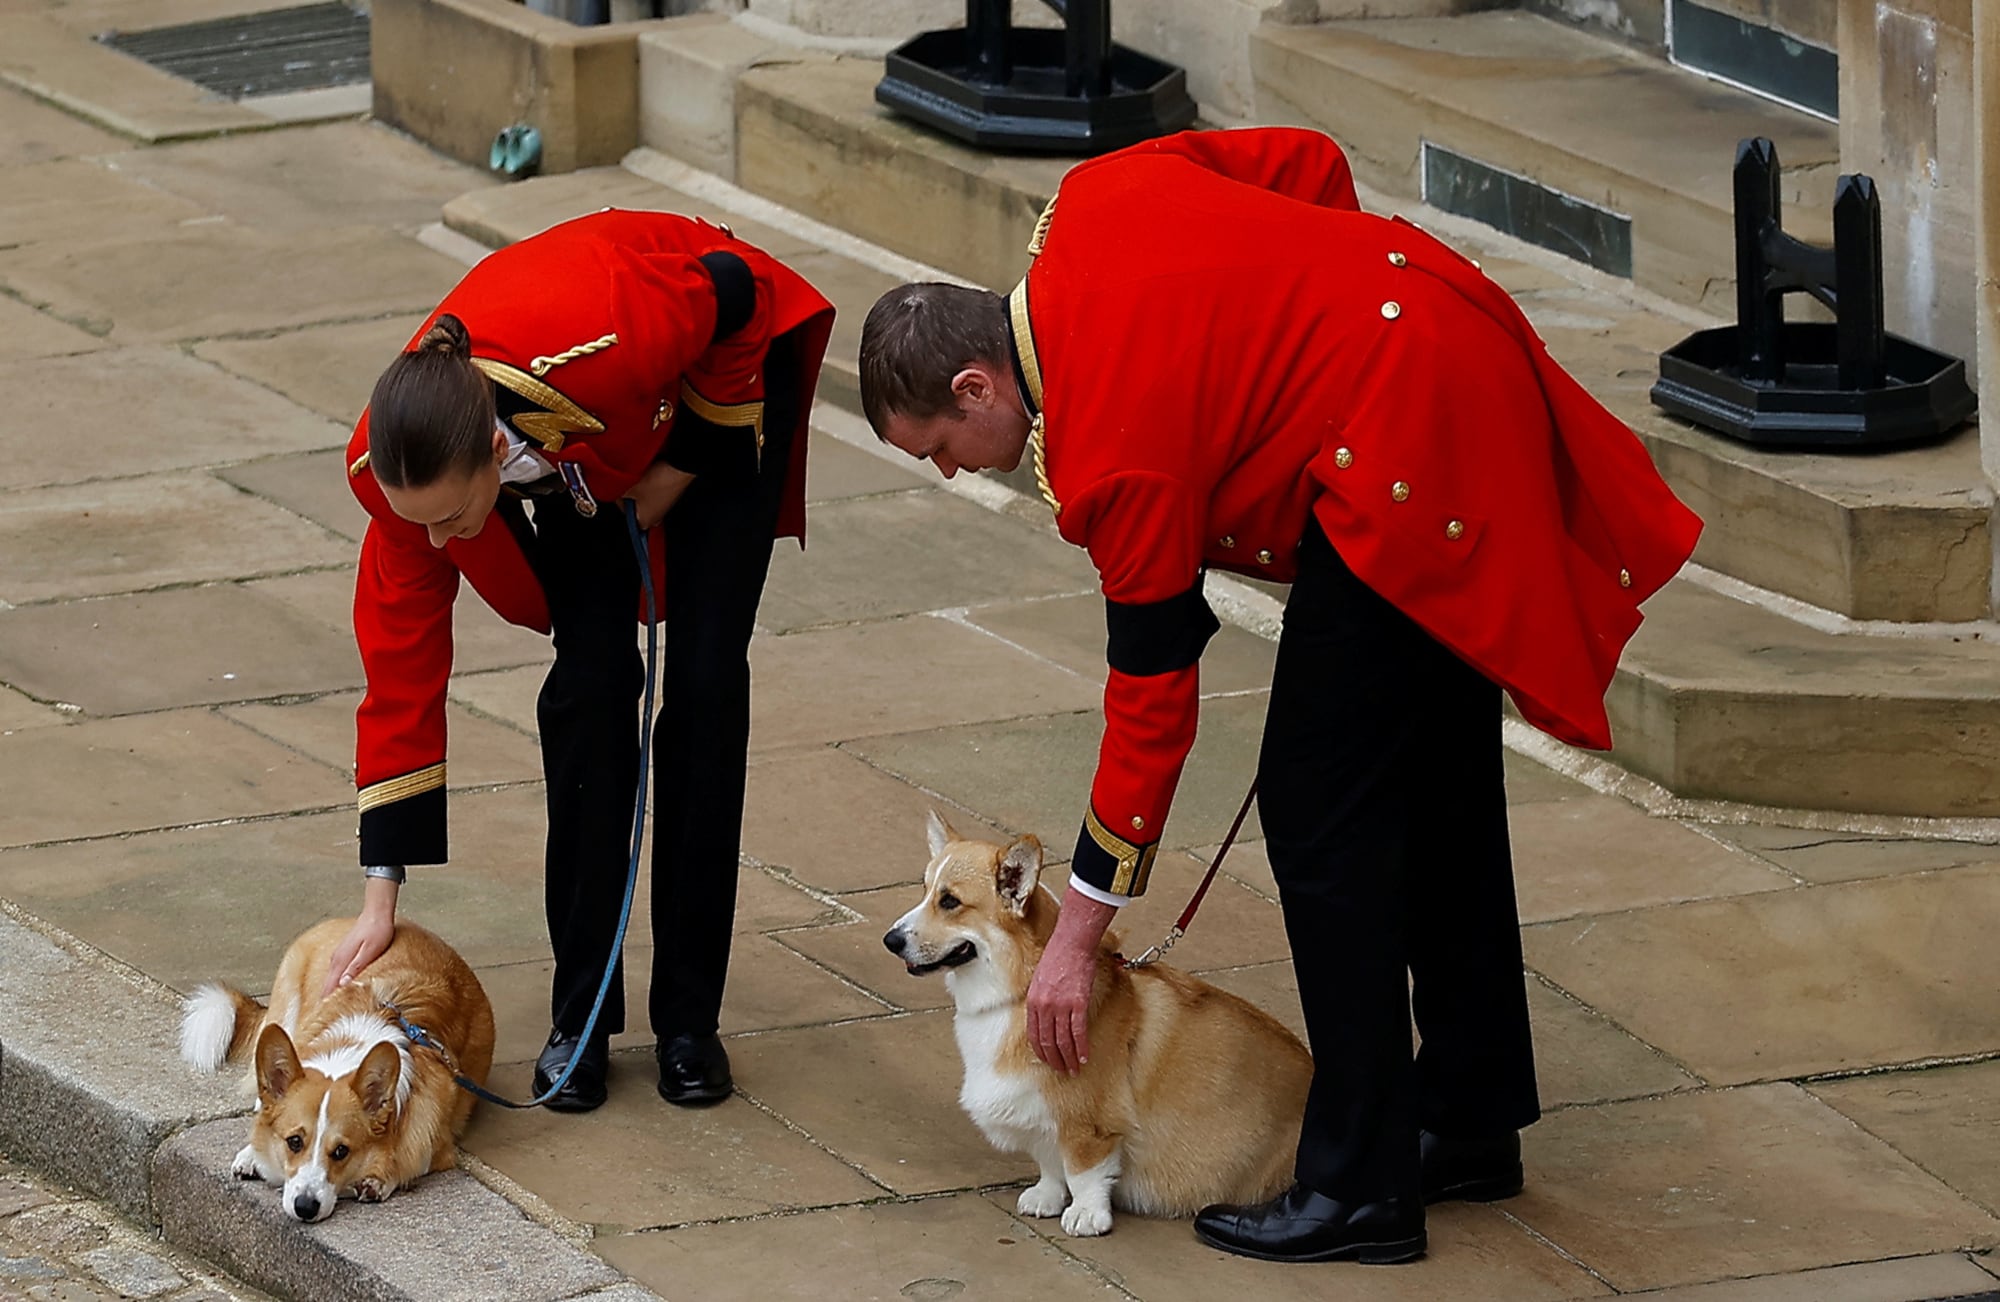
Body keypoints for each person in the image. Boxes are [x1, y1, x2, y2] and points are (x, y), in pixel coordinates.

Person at [856, 127, 1700, 1264]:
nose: (956, 469)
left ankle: (1359, 1183)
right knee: (1435, 778)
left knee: (1318, 815)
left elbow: (1152, 704)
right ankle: (1464, 1116)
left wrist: (1074, 940)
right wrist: (1323, 309)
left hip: (1400, 450)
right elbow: (1303, 163)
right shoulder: (1090, 199)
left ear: (975, 382)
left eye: (945, 446)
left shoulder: (1115, 456)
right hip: (1440, 335)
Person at [331, 209, 834, 1113]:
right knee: (590, 693)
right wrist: (381, 897)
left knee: (708, 686)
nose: (439, 539)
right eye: (426, 524)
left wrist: (673, 475)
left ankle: (689, 1020)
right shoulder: (402, 477)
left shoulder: (601, 332)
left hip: (719, 387)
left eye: (451, 516)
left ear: (490, 449)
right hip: (584, 459)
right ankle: (582, 1020)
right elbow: (400, 669)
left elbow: (736, 291)